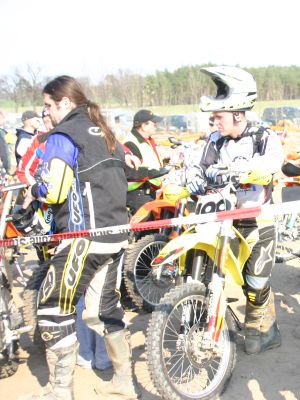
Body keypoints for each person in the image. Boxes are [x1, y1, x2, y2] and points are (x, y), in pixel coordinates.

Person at [20, 75, 137, 400]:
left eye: (48, 105)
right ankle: (124, 383)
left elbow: (54, 190)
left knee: (52, 311)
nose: (46, 112)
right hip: (115, 233)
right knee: (103, 311)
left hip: (83, 236)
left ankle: (60, 392)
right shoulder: (103, 130)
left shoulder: (63, 135)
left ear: (65, 102)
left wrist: (34, 190)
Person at [186, 66, 284, 354]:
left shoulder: (263, 137)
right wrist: (191, 176)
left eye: (219, 117)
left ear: (238, 115)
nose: (214, 122)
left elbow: (273, 162)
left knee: (255, 284)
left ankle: (259, 327)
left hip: (257, 220)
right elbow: (199, 165)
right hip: (221, 219)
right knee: (212, 271)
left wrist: (250, 170)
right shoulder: (215, 140)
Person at [122, 109, 165, 213]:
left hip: (147, 190)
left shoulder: (146, 140)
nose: (156, 125)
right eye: (153, 123)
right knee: (148, 218)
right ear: (144, 126)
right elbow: (131, 171)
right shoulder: (131, 143)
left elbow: (147, 161)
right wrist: (150, 173)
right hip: (136, 192)